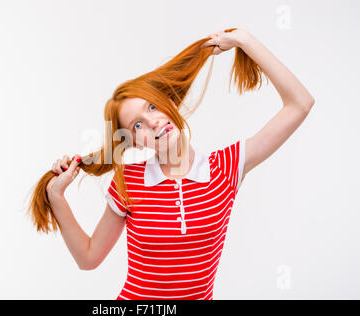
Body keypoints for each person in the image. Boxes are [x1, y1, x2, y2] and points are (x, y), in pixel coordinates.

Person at [27, 28, 315, 300]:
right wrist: (56, 197)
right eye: (137, 123)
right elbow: (88, 259)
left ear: (170, 103)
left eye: (152, 106)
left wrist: (244, 40)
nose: (152, 121)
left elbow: (300, 103)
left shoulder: (226, 167)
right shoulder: (129, 181)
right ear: (134, 141)